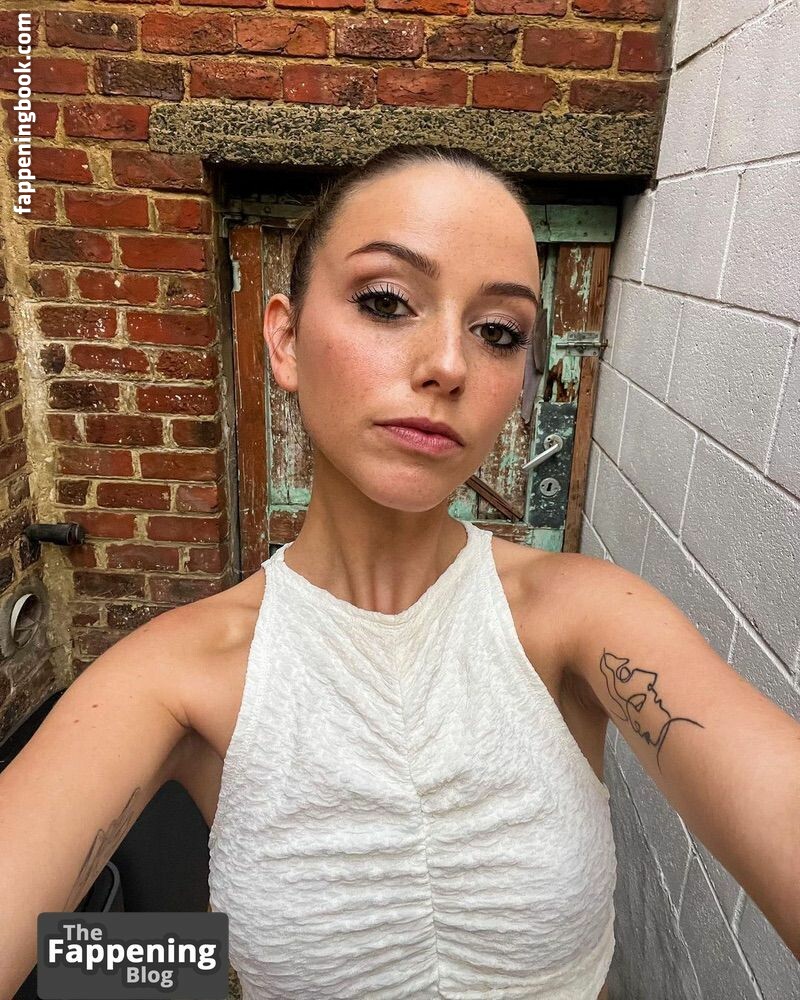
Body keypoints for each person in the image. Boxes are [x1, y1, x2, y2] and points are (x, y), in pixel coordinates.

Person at [1, 143, 799, 999]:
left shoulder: (587, 616)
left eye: (498, 332)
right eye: (386, 301)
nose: (450, 365)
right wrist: (161, 969)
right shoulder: (171, 676)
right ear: (286, 339)